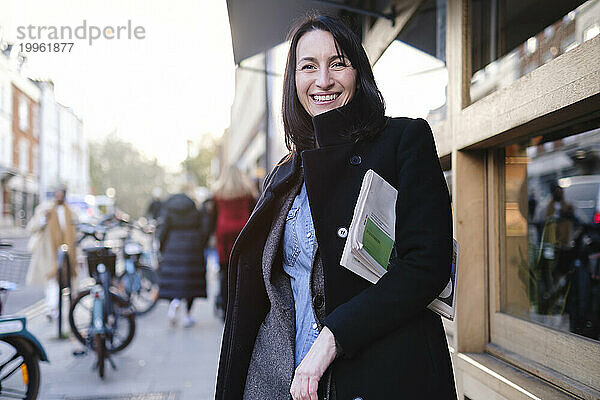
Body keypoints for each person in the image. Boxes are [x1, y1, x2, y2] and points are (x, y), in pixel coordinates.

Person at [216, 14, 455, 400]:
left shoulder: (402, 140)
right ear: (293, 81)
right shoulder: (285, 173)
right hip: (284, 380)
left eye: (338, 63)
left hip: (376, 373)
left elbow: (426, 265)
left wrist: (332, 339)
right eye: (308, 66)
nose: (322, 80)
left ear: (358, 73)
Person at [156, 190, 209, 327]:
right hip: (193, 246)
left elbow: (162, 231)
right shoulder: (195, 211)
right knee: (190, 282)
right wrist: (200, 244)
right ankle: (188, 316)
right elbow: (204, 228)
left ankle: (175, 301)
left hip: (172, 245)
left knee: (175, 279)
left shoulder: (169, 211)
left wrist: (162, 248)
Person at [26, 186, 78, 319]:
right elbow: (32, 227)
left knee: (63, 281)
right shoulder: (45, 210)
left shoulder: (71, 212)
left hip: (66, 253)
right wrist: (44, 219)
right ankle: (51, 308)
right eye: (57, 195)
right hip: (50, 252)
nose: (59, 197)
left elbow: (76, 234)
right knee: (52, 280)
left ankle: (56, 309)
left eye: (61, 195)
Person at [211, 166, 257, 318]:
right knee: (243, 271)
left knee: (225, 273)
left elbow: (213, 216)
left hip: (224, 235)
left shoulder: (218, 193)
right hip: (242, 232)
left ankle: (226, 310)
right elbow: (254, 213)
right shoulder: (247, 192)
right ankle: (243, 308)